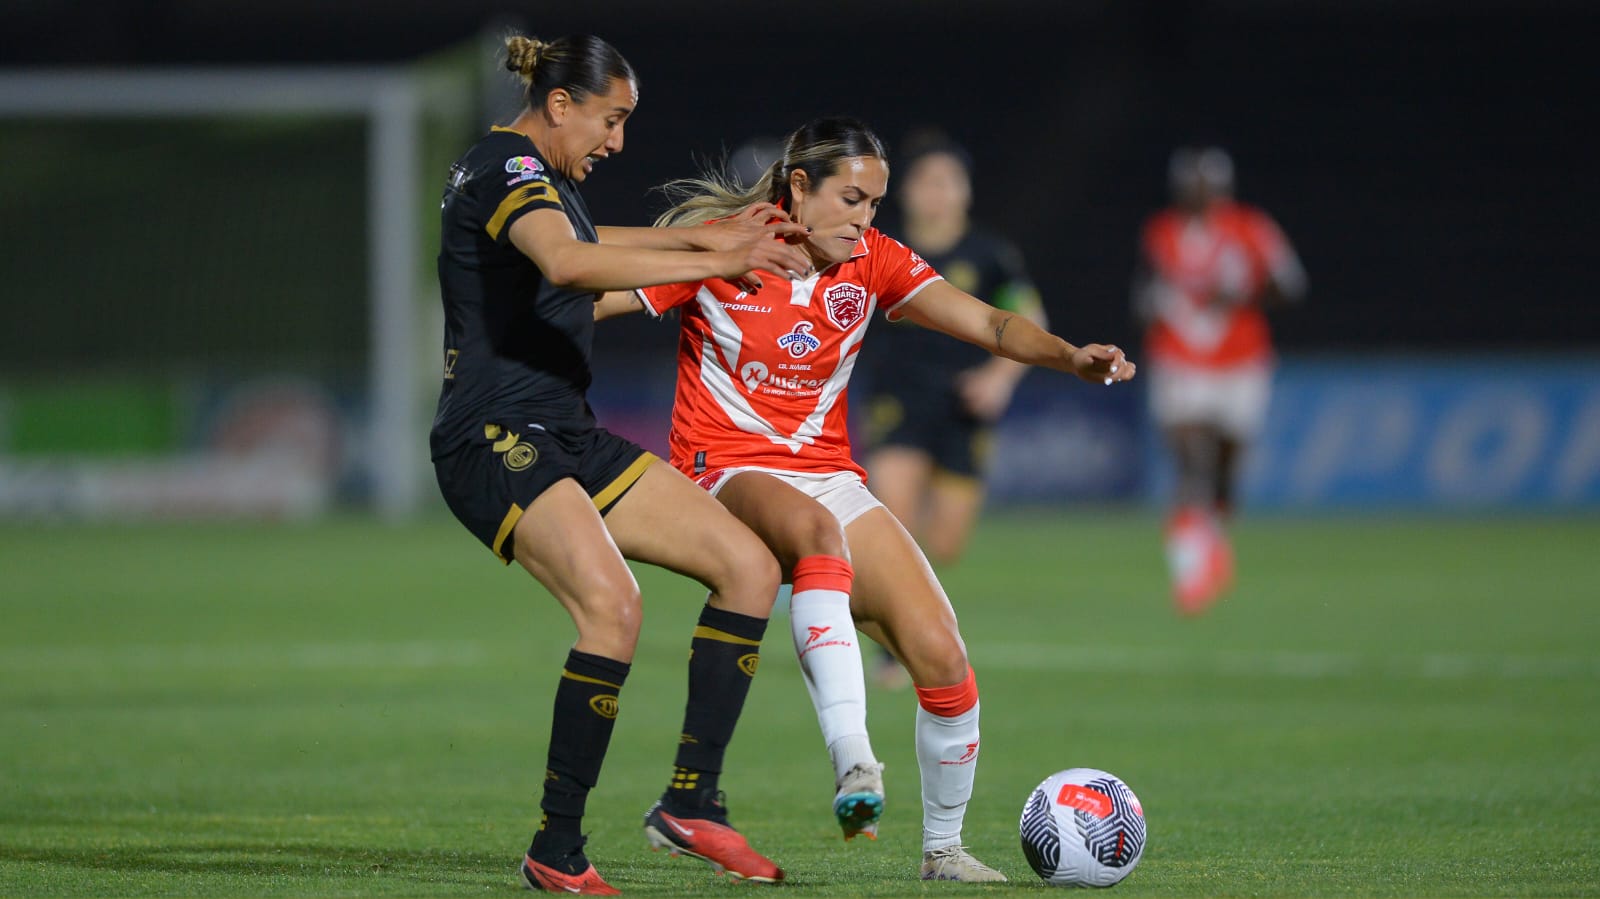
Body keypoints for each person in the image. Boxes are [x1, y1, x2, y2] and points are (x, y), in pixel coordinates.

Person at [593, 117, 1134, 881]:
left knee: (943, 654)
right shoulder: (723, 250)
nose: (864, 218)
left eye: (875, 204)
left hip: (828, 476)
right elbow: (591, 298)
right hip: (725, 468)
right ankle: (855, 762)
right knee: (817, 532)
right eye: (851, 199)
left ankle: (943, 850)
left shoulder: (872, 260)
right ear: (800, 187)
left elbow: (987, 320)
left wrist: (1069, 356)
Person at [430, 32, 816, 895]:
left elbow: (585, 245)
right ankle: (557, 848)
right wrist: (721, 255)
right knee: (613, 608)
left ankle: (692, 802)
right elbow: (571, 261)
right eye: (610, 120)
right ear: (559, 104)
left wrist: (706, 239)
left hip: (565, 429)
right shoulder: (506, 168)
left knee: (750, 566)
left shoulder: (538, 180)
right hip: (495, 434)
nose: (618, 140)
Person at [859, 129, 1048, 689]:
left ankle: (890, 603)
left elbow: (1030, 317)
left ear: (966, 190)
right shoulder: (880, 247)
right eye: (927, 181)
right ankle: (892, 641)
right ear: (905, 190)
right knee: (894, 515)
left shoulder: (990, 255)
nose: (937, 193)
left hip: (963, 408)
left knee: (944, 543)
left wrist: (999, 379)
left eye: (948, 182)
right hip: (897, 399)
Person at [1134, 146, 1307, 614]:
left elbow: (1290, 284)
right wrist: (1149, 308)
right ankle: (1191, 573)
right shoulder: (1161, 231)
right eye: (1191, 185)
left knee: (1226, 469)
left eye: (1207, 185)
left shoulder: (1251, 227)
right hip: (1178, 356)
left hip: (1240, 359)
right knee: (1191, 461)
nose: (1199, 194)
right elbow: (1145, 289)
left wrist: (1244, 294)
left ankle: (1214, 537)